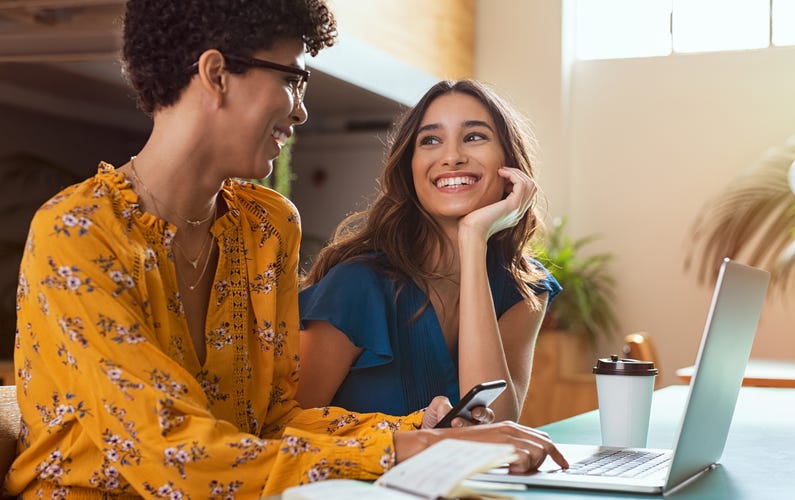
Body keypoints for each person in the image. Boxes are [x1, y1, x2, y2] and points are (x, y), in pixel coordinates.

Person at [7, 1, 566, 498]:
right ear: (216, 74)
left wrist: (422, 432)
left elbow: (274, 421)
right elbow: (171, 458)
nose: (300, 109)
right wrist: (397, 450)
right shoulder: (78, 233)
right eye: (294, 79)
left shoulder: (266, 225)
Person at [296, 79, 561, 421]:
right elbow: (284, 433)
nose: (451, 157)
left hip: (466, 476)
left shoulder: (523, 288)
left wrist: (473, 236)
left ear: (509, 163)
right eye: (431, 140)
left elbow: (493, 429)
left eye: (474, 136)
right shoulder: (356, 286)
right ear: (410, 167)